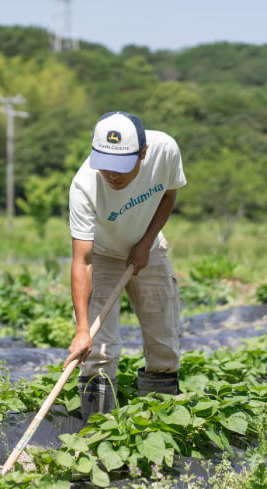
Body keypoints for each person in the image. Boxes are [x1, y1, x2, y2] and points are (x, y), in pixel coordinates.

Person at [64, 111, 186, 421]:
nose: (112, 175)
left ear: (142, 153)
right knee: (99, 350)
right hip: (103, 256)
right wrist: (81, 331)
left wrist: (146, 242)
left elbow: (168, 195)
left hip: (150, 248)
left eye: (120, 167)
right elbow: (83, 260)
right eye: (104, 164)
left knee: (163, 341)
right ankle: (100, 431)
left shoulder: (165, 150)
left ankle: (160, 425)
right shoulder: (84, 186)